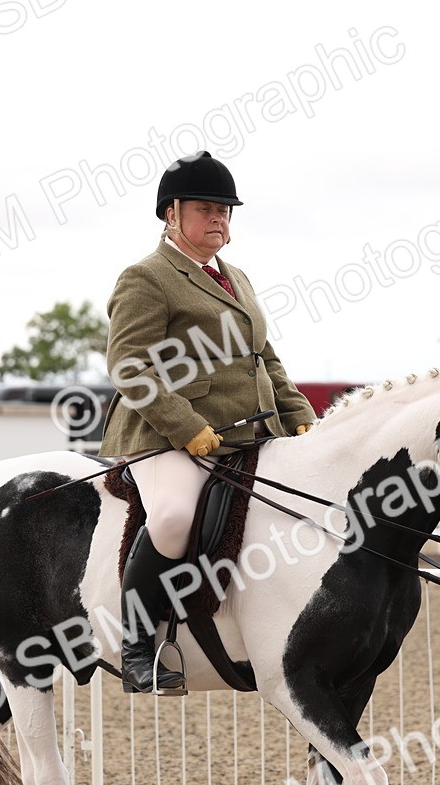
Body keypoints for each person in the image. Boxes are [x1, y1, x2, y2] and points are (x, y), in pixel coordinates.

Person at [99, 151, 317, 693]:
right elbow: (130, 364)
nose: (219, 220)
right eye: (206, 209)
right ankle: (138, 645)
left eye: (225, 210)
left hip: (248, 430)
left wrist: (301, 418)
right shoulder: (146, 278)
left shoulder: (235, 277)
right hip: (163, 436)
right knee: (173, 517)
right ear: (171, 214)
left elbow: (262, 357)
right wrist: (185, 427)